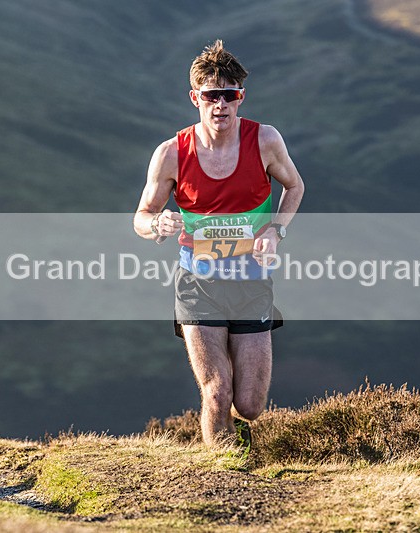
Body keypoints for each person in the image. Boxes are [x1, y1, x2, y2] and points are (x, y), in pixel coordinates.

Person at [133, 40, 305, 447]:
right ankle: (221, 473)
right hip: (198, 283)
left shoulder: (264, 140)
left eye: (230, 95)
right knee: (216, 392)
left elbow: (294, 186)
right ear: (196, 98)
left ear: (240, 97)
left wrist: (275, 231)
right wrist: (157, 223)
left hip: (252, 282)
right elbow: (139, 217)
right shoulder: (172, 153)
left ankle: (239, 440)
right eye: (212, 95)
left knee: (249, 405)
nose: (221, 104)